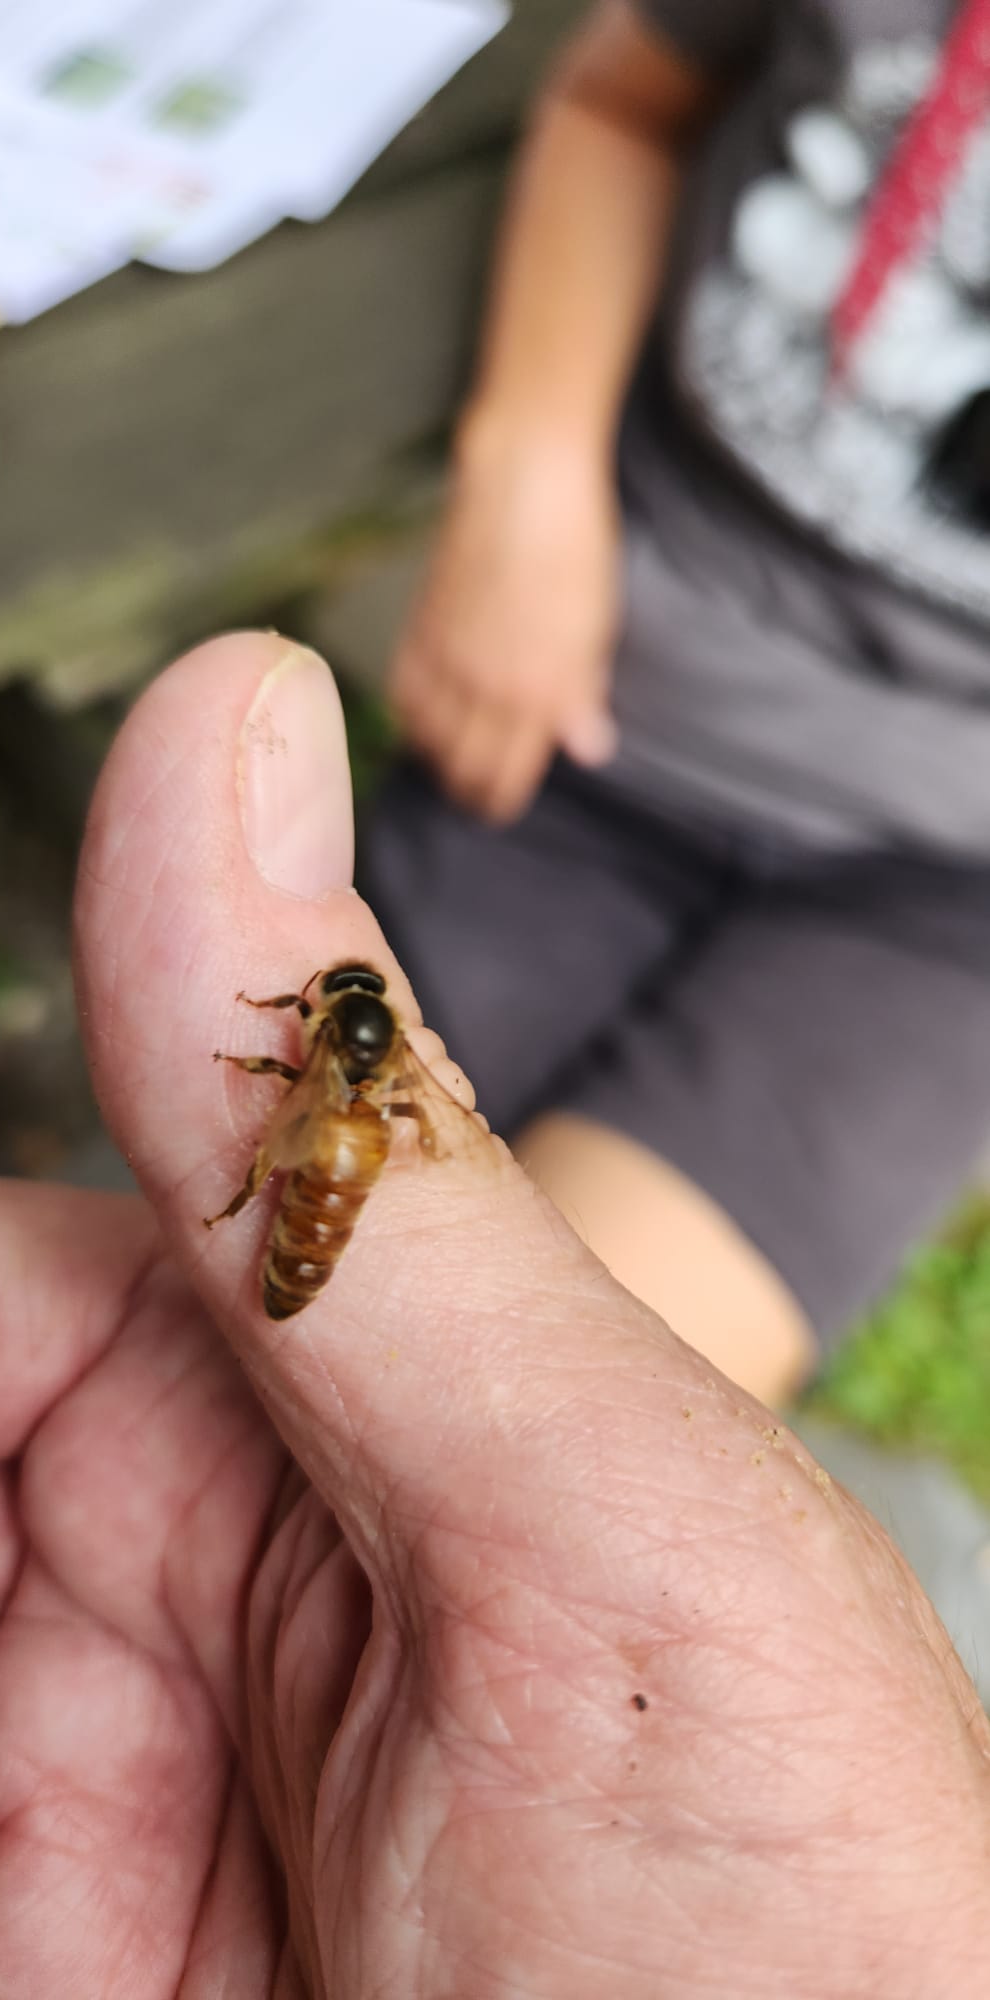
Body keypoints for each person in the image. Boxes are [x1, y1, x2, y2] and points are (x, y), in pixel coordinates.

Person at [0, 634, 990, 1995]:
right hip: (361, 1156)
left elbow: (304, 1046)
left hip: (339, 1168)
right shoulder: (382, 1065)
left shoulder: (319, 1049)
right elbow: (372, 1068)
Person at [359, 0, 990, 1409]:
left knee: (551, 1421)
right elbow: (619, 100)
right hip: (591, 709)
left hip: (942, 893)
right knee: (301, 1273)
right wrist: (524, 473)